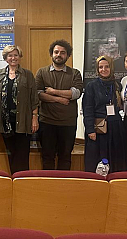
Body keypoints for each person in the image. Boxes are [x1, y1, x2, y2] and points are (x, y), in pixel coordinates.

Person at [35, 39, 84, 170]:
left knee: (65, 157)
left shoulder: (75, 73)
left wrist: (53, 92)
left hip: (68, 123)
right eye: (56, 52)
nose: (59, 55)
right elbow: (38, 94)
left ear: (68, 55)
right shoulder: (42, 72)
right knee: (47, 157)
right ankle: (50, 182)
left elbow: (76, 93)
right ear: (51, 54)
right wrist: (60, 99)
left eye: (63, 52)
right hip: (47, 122)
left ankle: (63, 182)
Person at [0, 45, 39, 173]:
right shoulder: (0, 74)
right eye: (10, 55)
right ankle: (13, 178)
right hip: (5, 121)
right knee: (11, 153)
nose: (13, 58)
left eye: (15, 55)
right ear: (5, 58)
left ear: (19, 57)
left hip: (23, 120)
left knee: (22, 153)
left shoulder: (27, 75)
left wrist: (34, 118)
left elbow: (34, 98)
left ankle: (22, 179)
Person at [83, 56, 127, 173]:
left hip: (115, 127)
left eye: (107, 67)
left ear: (111, 67)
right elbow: (88, 109)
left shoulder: (117, 85)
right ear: (97, 69)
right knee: (98, 161)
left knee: (116, 160)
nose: (104, 70)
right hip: (98, 128)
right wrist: (90, 130)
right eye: (101, 67)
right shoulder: (91, 86)